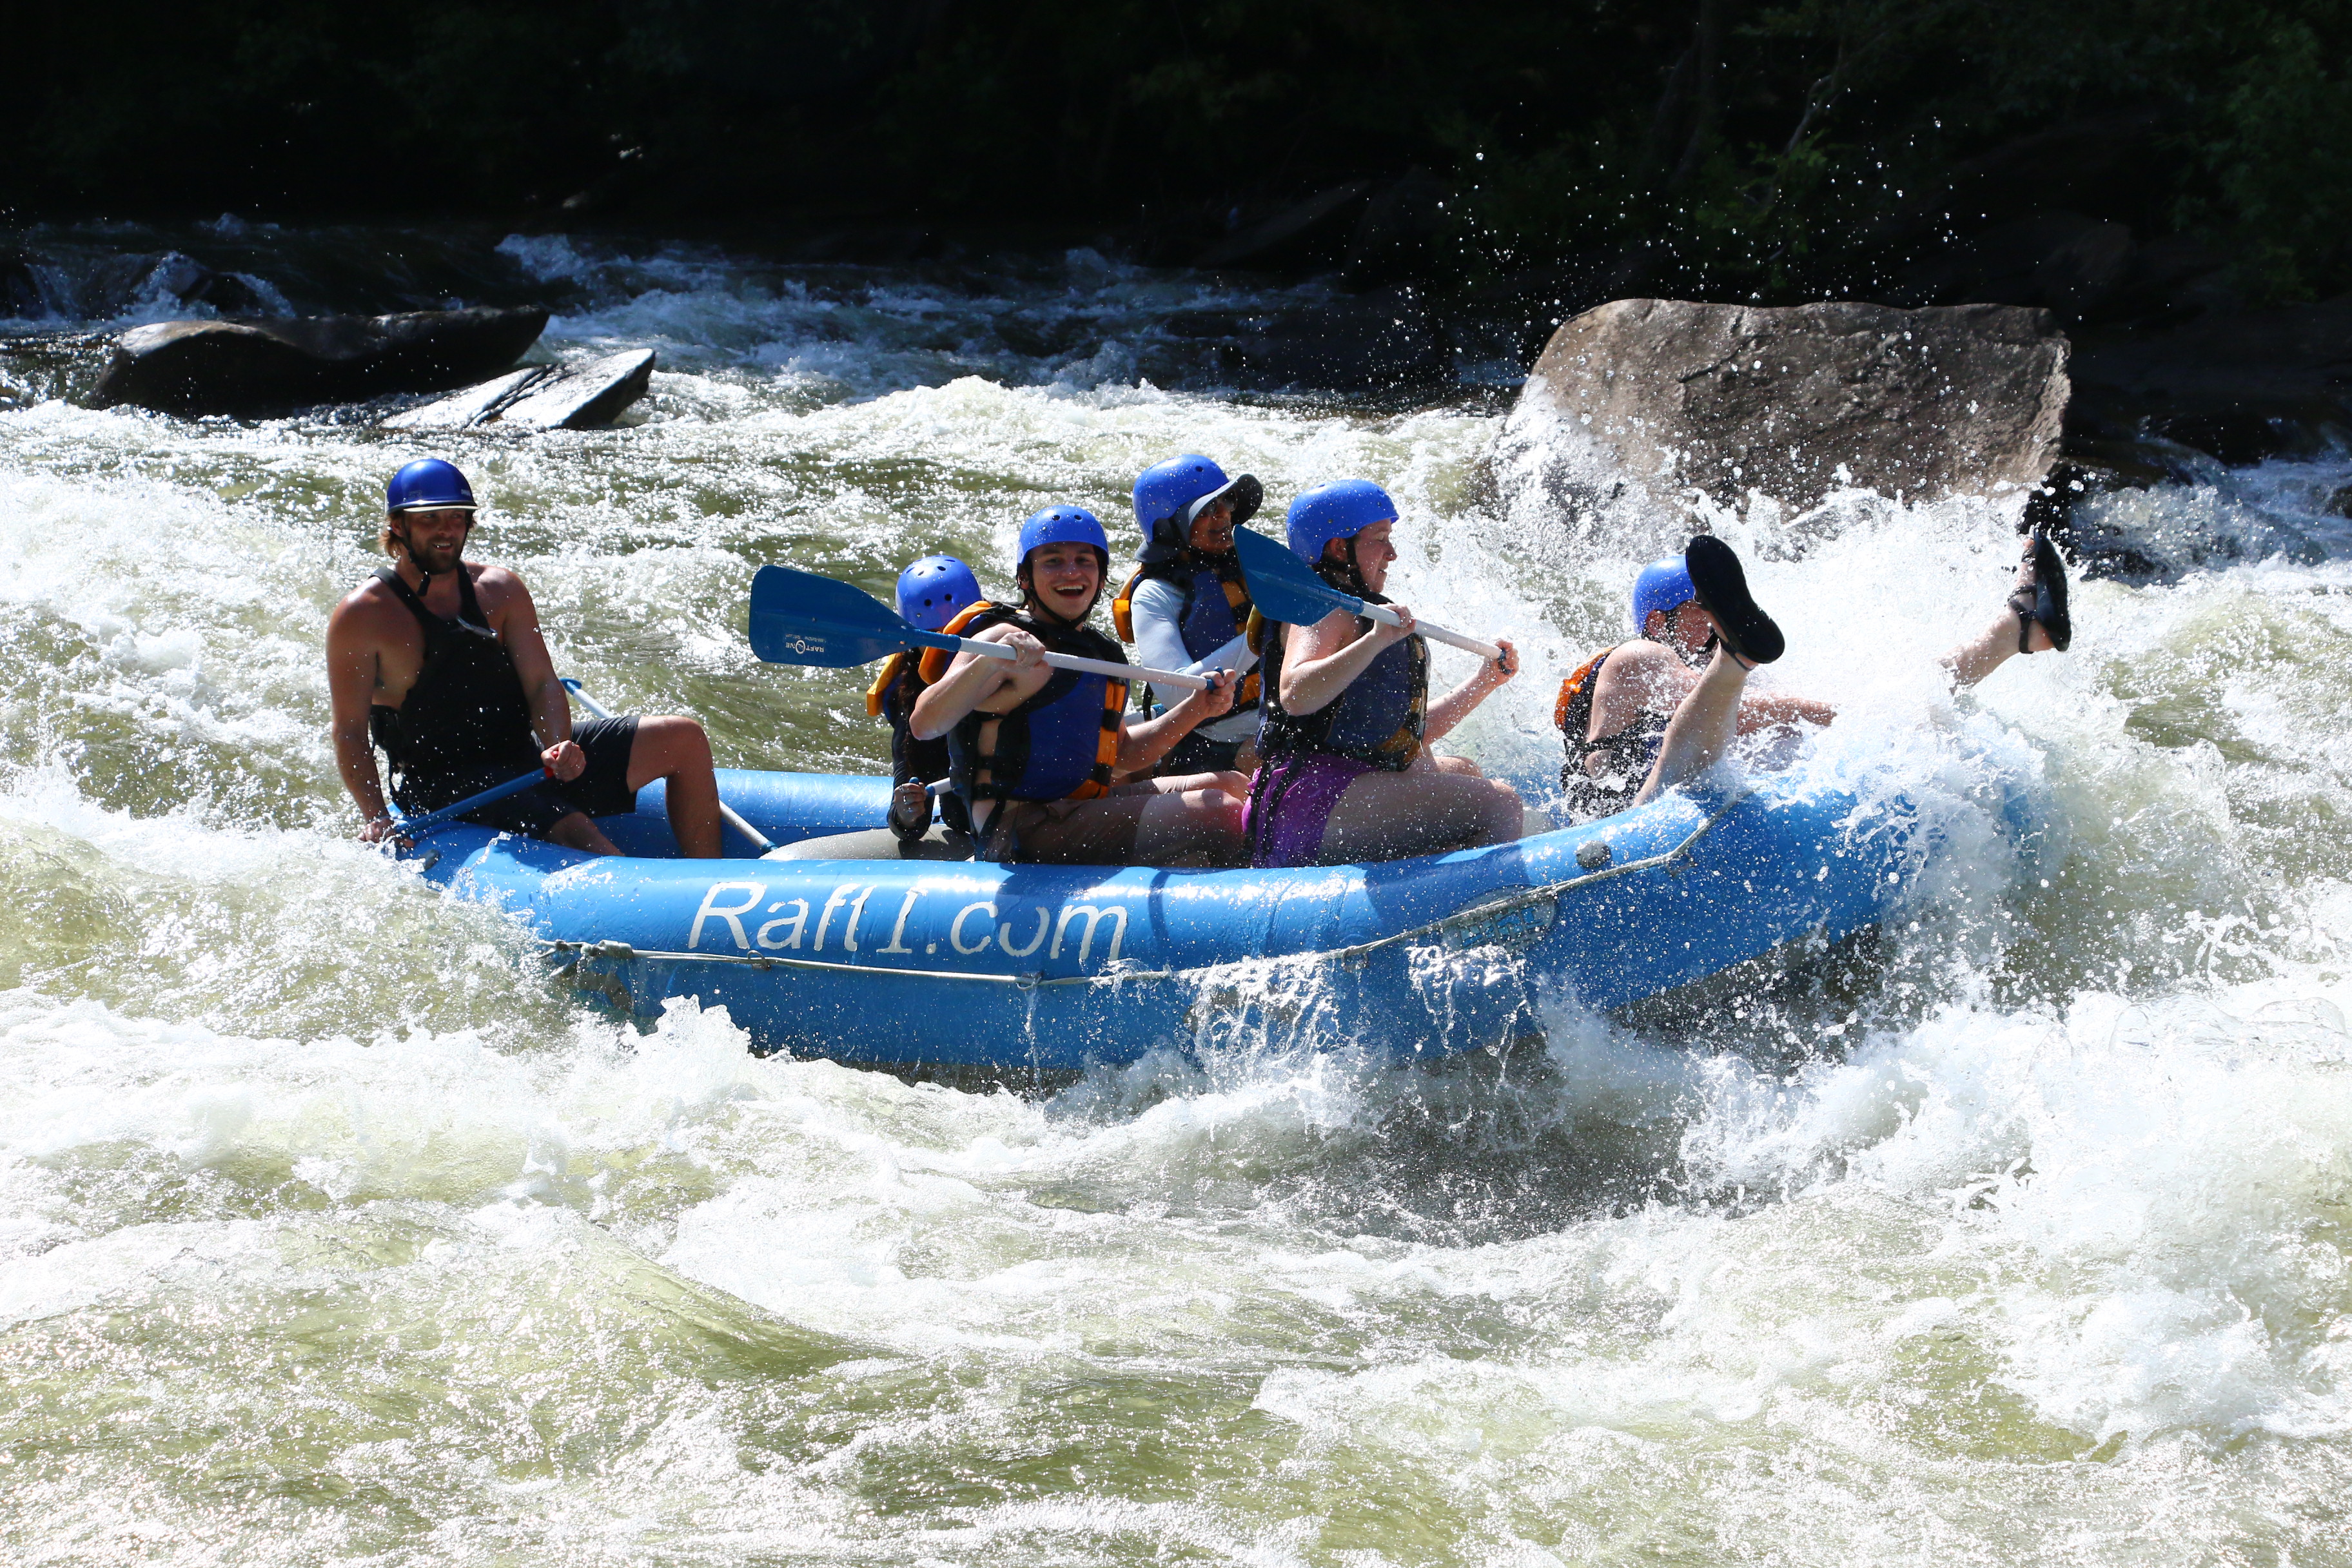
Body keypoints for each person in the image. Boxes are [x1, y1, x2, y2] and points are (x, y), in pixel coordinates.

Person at [326, 458, 726, 856]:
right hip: (444, 784)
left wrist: (558, 744)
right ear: (398, 526)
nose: (446, 530)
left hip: (522, 754)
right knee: (577, 832)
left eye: (457, 518)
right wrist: (376, 816)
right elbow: (349, 730)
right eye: (431, 519)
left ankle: (713, 879)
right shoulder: (363, 615)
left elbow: (541, 683)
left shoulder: (500, 589)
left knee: (683, 737)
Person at [1555, 529, 2074, 821]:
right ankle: (1738, 662)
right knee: (1778, 704)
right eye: (1703, 608)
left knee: (1883, 690)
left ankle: (2016, 632)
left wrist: (1877, 705)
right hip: (1623, 818)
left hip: (1688, 794)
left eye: (1719, 610)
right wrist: (1845, 713)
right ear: (1657, 620)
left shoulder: (1702, 670)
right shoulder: (1636, 655)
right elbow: (1744, 715)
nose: (1713, 620)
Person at [908, 505, 1248, 865]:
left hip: (1086, 807)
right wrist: (990, 660)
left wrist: (1198, 708)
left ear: (1101, 577)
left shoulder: (1102, 654)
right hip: (1020, 829)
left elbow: (1124, 756)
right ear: (1026, 578)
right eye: (1053, 561)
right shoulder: (1000, 638)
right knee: (1218, 808)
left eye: (1084, 561)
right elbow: (925, 724)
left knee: (1234, 784)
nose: (1071, 572)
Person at [1246, 480, 1528, 868]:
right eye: (1380, 539)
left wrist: (1484, 682)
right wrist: (1376, 641)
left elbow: (1408, 735)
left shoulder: (1358, 611)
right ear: (1338, 547)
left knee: (1464, 771)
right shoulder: (1325, 607)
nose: (1392, 554)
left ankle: (1431, 901)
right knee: (1499, 803)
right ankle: (1488, 915)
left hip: (1339, 795)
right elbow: (1296, 693)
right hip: (1307, 803)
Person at [1112, 454, 1264, 776]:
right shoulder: (1154, 595)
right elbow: (1179, 691)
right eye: (1206, 510)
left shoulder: (1253, 565)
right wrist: (1262, 633)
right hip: (1214, 745)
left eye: (1226, 501)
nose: (1222, 515)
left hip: (1278, 719)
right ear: (1170, 527)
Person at [870, 553, 987, 841]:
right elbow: (908, 824)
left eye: (958, 634)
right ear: (914, 641)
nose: (947, 650)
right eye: (934, 638)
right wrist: (907, 813)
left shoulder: (1003, 662)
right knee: (958, 814)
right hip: (966, 819)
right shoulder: (909, 698)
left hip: (1017, 814)